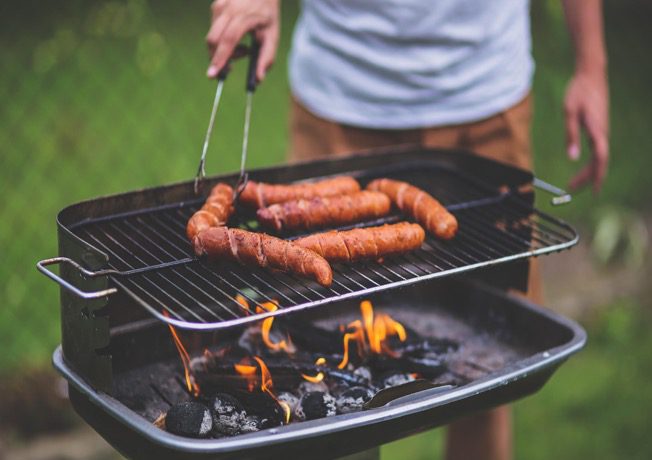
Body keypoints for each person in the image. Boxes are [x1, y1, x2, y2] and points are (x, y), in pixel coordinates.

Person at [205, 1, 609, 459]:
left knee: (491, 362)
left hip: (485, 96)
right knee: (316, 375)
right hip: (341, 94)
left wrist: (591, 66)